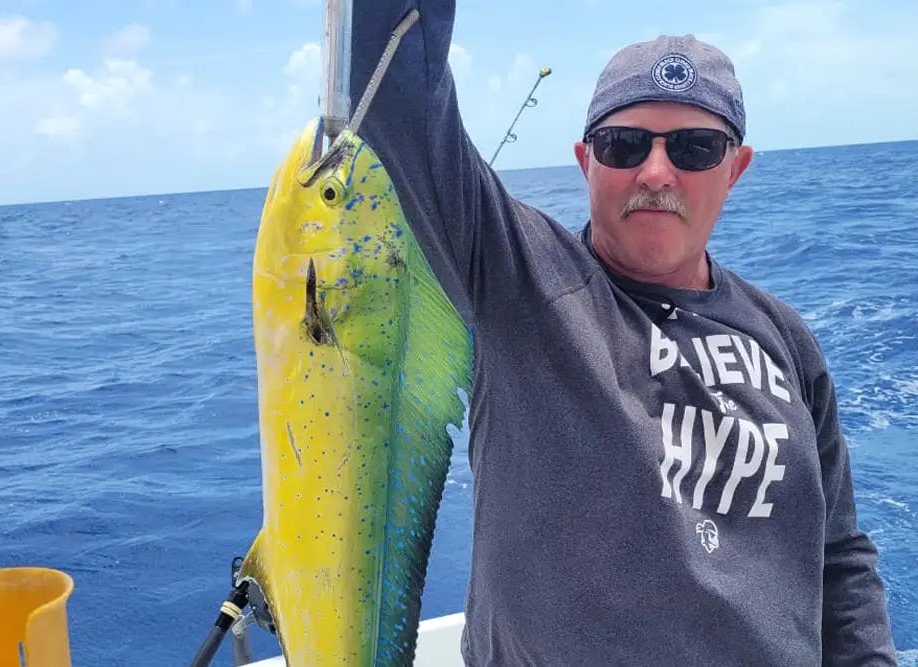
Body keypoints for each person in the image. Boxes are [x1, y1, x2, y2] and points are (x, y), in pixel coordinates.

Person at [349, 2, 897, 664]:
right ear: (586, 161)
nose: (657, 173)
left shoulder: (786, 337)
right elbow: (395, 95)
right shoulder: (516, 280)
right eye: (624, 144)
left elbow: (837, 552)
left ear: (737, 167)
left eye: (695, 147)